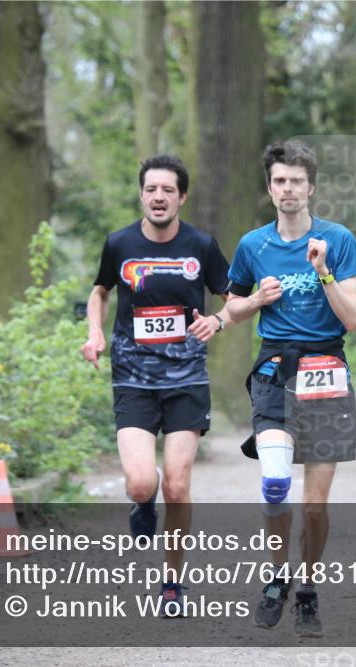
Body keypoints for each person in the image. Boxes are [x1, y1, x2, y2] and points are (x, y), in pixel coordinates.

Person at [80, 154, 235, 617]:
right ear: (142, 194)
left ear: (181, 197)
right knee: (143, 483)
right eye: (152, 189)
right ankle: (141, 504)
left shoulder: (201, 246)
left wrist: (218, 321)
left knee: (179, 484)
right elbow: (100, 291)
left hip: (187, 378)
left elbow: (236, 299)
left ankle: (172, 582)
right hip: (133, 378)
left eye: (169, 190)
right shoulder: (120, 243)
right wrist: (94, 331)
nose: (159, 197)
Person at [225, 139, 356, 638]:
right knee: (277, 482)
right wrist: (255, 299)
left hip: (326, 366)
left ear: (311, 187)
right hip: (274, 370)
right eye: (280, 181)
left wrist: (322, 269)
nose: (288, 189)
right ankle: (276, 576)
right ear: (270, 188)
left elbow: (352, 318)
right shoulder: (252, 246)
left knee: (315, 505)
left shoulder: (338, 239)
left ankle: (307, 587)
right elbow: (231, 310)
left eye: (297, 181)